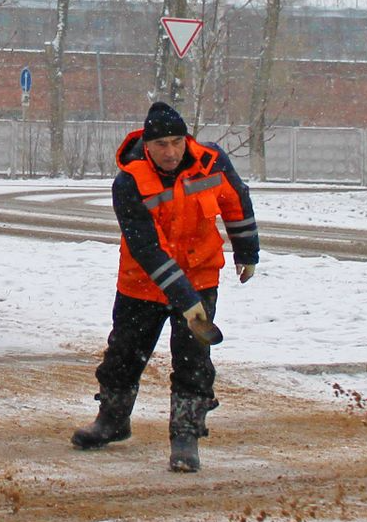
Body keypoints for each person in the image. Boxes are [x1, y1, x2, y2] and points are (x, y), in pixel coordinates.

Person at [72, 100, 259, 473]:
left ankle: (186, 436)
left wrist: (247, 251)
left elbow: (237, 203)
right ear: (147, 145)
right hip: (141, 283)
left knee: (193, 362)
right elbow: (146, 247)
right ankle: (112, 420)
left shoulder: (211, 162)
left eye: (176, 141)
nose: (171, 152)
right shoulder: (129, 181)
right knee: (123, 356)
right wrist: (183, 298)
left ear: (185, 138)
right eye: (162, 145)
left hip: (201, 275)